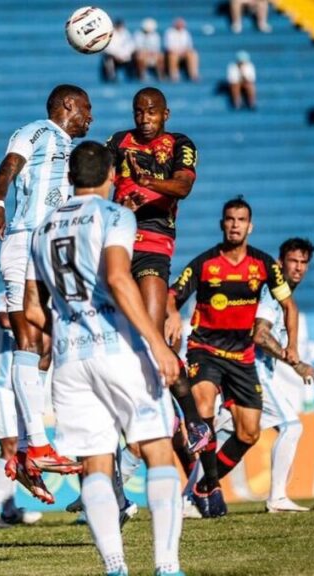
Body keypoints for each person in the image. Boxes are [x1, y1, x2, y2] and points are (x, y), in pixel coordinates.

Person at [24, 141, 183, 576]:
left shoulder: (42, 228)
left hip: (69, 360)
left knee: (95, 464)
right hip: (118, 350)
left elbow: (33, 309)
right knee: (158, 450)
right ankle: (167, 567)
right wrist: (157, 342)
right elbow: (116, 276)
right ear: (112, 172)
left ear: (70, 177)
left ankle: (115, 567)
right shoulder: (115, 215)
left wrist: (67, 331)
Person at [0, 85, 93, 501]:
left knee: (45, 346)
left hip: (51, 245)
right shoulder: (37, 131)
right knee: (28, 338)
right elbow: (6, 169)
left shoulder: (68, 147)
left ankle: (29, 452)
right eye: (86, 108)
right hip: (26, 238)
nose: (90, 117)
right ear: (67, 105)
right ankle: (37, 445)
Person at [166, 196, 299, 518]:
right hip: (205, 350)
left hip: (242, 356)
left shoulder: (264, 264)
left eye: (241, 220)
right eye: (230, 219)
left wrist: (292, 345)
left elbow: (288, 306)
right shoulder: (205, 263)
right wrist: (171, 315)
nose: (235, 224)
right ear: (222, 224)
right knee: (203, 407)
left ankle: (200, 489)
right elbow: (173, 295)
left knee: (249, 432)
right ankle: (212, 486)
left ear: (250, 226)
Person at [106, 87, 201, 450]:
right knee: (119, 343)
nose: (144, 119)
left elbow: (183, 186)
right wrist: (117, 207)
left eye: (151, 112)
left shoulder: (180, 143)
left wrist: (148, 182)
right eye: (138, 112)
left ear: (166, 114)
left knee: (152, 335)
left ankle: (191, 418)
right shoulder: (117, 141)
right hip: (117, 241)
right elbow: (97, 183)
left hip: (155, 244)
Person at [210, 238, 314, 513]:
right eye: (293, 261)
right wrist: (295, 363)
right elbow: (259, 335)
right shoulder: (271, 292)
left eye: (303, 263)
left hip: (238, 370)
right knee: (291, 426)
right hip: (251, 371)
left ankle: (189, 498)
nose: (298, 268)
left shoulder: (282, 297)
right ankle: (278, 497)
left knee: (227, 437)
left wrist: (293, 362)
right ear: (280, 262)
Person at [0, 292, 48, 525]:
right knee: (12, 446)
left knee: (15, 448)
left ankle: (8, 510)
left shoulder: (37, 300)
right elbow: (4, 320)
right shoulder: (5, 296)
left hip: (14, 387)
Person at [163, 18, 199, 83]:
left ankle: (193, 74)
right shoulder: (169, 32)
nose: (180, 25)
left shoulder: (186, 32)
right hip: (173, 52)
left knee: (193, 54)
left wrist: (184, 52)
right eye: (179, 24)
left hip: (184, 53)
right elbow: (167, 46)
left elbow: (189, 46)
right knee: (173, 56)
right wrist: (177, 51)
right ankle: (174, 75)